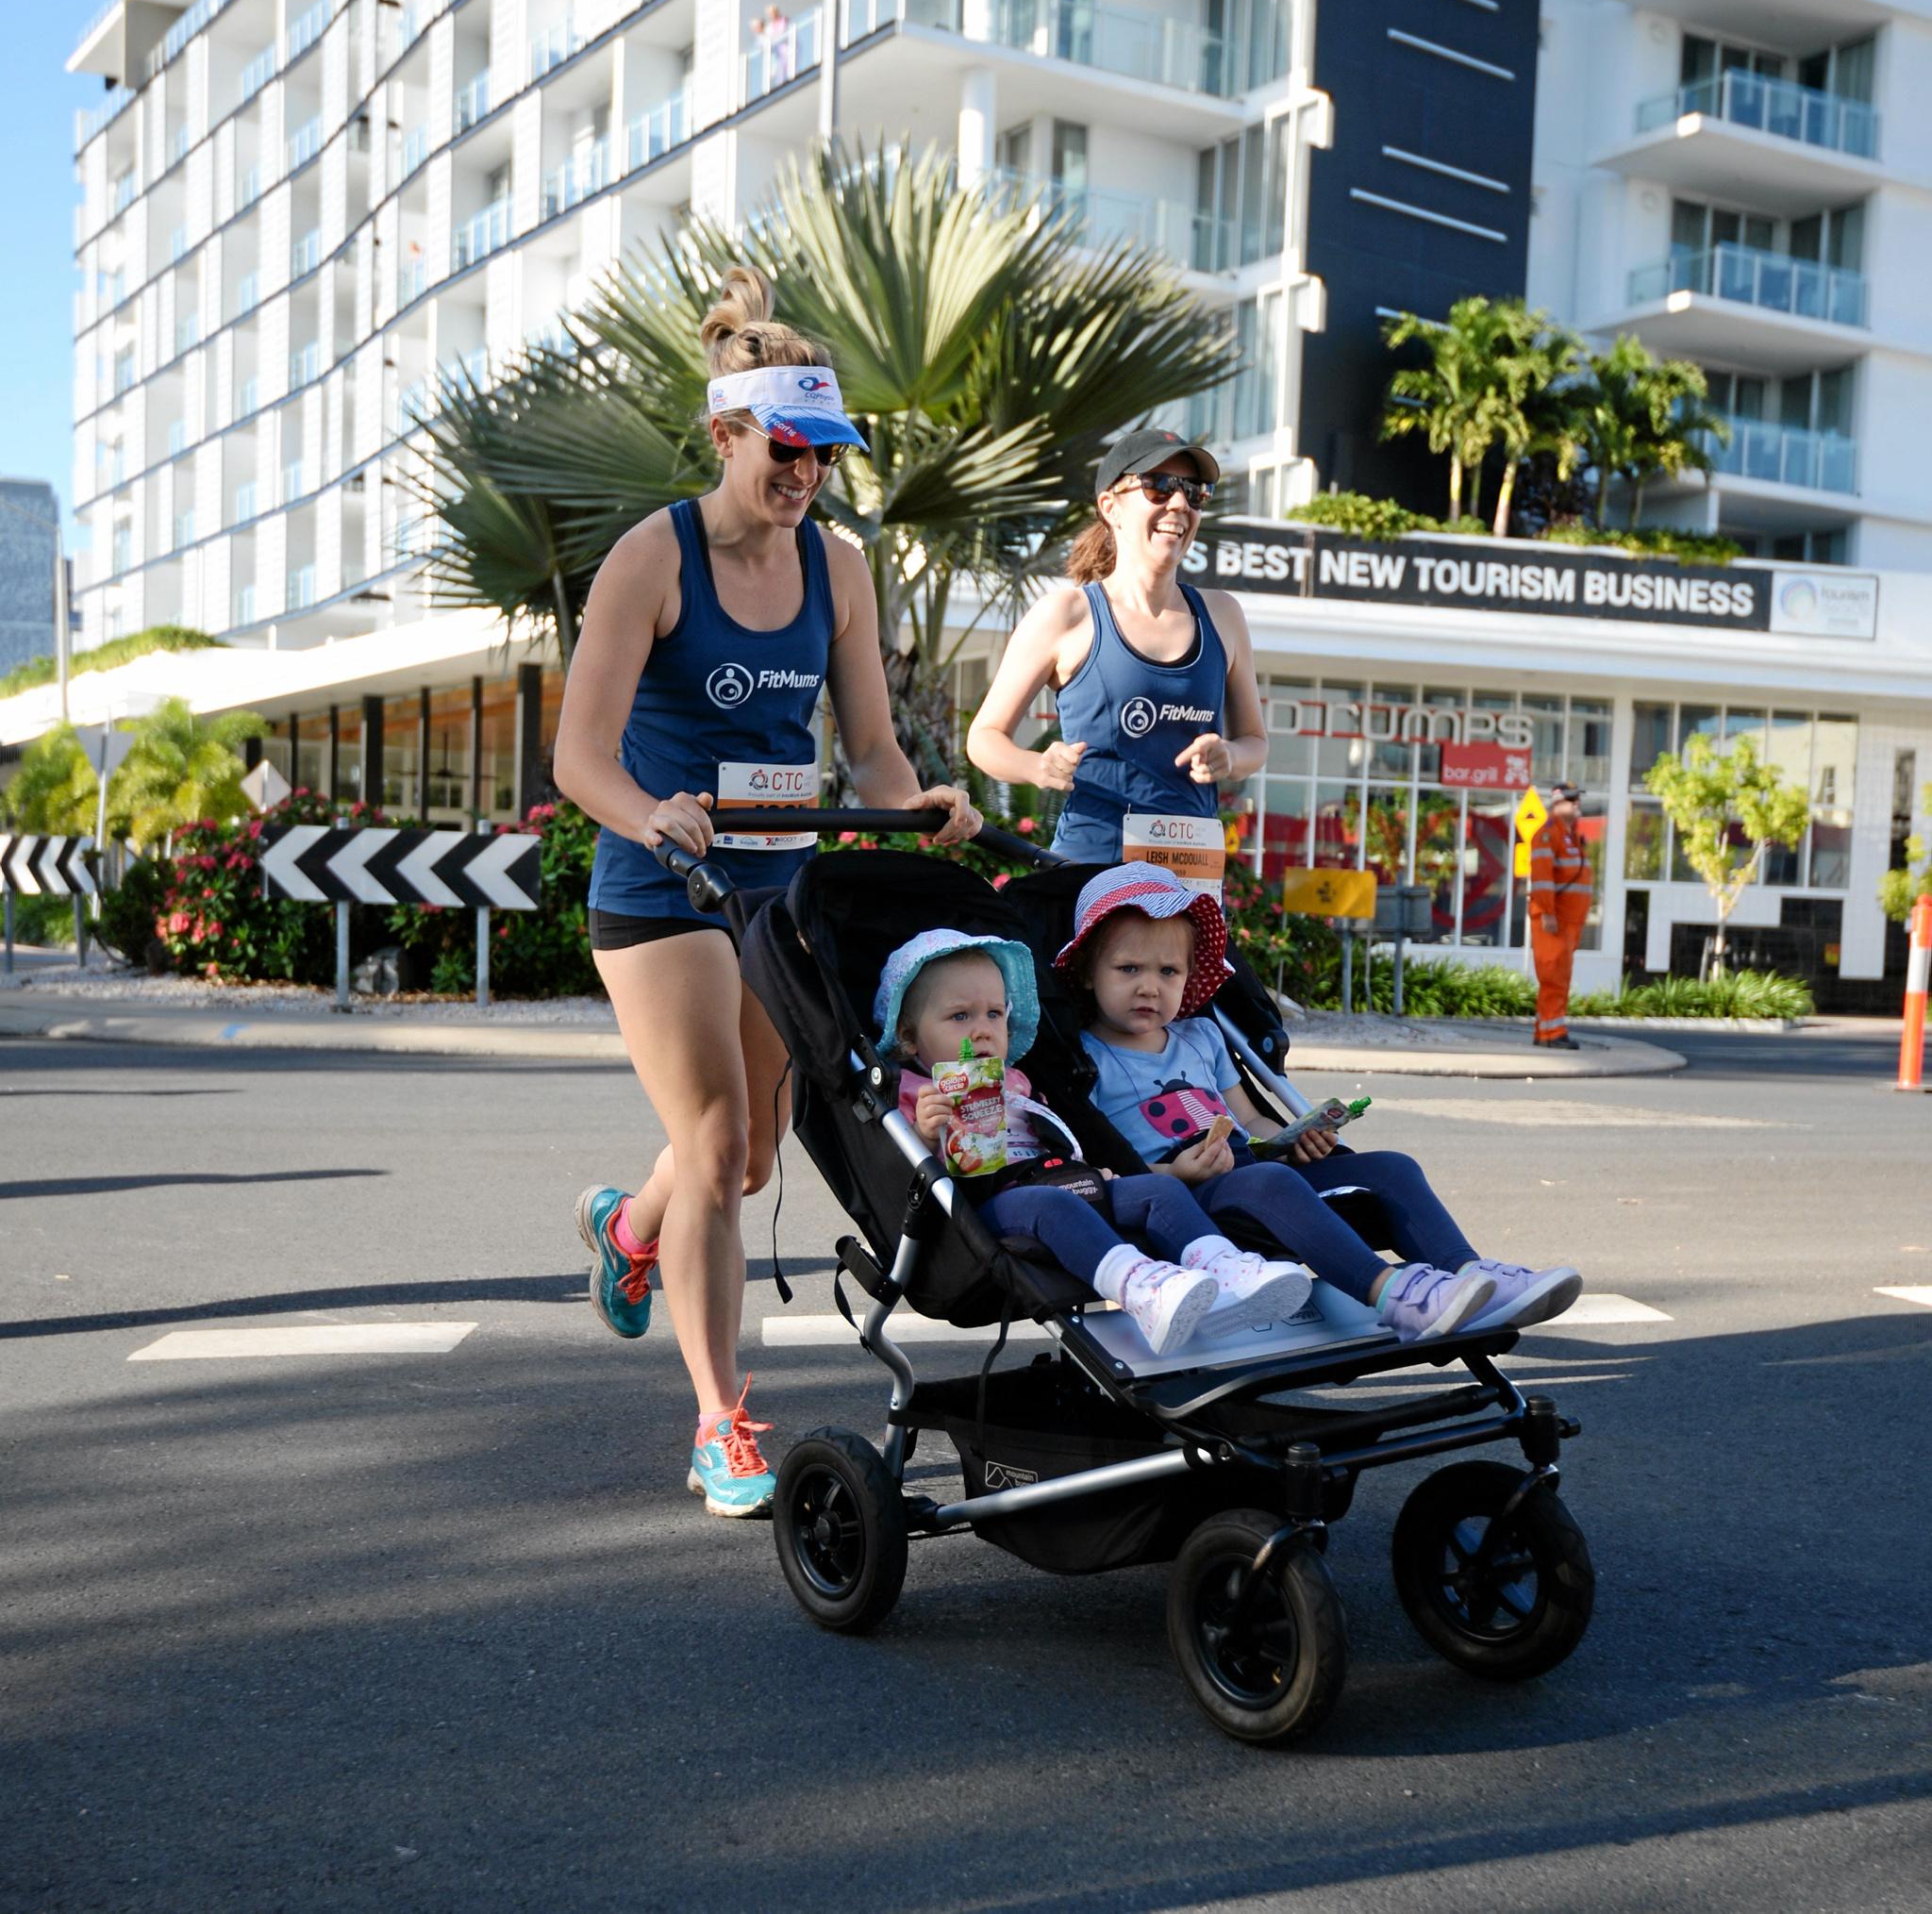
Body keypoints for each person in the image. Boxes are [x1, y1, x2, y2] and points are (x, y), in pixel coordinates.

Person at [555, 266, 979, 1518]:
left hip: (774, 883)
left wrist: (918, 799)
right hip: (660, 882)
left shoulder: (838, 568)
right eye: (785, 449)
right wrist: (650, 810)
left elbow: (874, 746)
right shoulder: (652, 556)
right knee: (714, 1139)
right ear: (727, 428)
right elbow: (578, 754)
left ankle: (630, 1228)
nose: (805, 476)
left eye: (825, 456)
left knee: (736, 1164)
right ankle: (718, 1420)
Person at [1058, 865, 1583, 1340]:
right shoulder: (1084, 1056)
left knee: (1393, 1168)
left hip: (1253, 1172)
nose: (1150, 987)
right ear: (1087, 972)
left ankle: (1469, 1274)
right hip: (1184, 1196)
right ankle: (1394, 1295)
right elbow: (1091, 1170)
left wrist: (1291, 1140)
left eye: (1168, 972)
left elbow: (1250, 1119)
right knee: (1270, 1180)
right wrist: (1172, 1172)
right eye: (1129, 970)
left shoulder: (1201, 1037)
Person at [876, 927, 1311, 1356]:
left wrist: (1082, 1167)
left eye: (994, 1014)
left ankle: (1226, 1271)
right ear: (910, 1037)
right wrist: (923, 1134)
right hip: (993, 1202)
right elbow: (893, 1179)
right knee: (1053, 1205)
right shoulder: (915, 1093)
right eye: (960, 1017)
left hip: (1057, 1179)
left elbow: (1049, 1136)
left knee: (1157, 1188)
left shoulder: (1018, 1082)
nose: (984, 1030)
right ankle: (1142, 1289)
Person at [967, 428, 1265, 884]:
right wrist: (1037, 766)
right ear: (1111, 507)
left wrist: (1229, 755)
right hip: (1093, 876)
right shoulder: (1066, 614)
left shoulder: (1223, 615)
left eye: (1194, 492)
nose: (1179, 504)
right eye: (1159, 486)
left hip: (1190, 881)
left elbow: (1255, 742)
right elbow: (984, 738)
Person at [1529, 782, 1592, 1050]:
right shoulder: (1548, 835)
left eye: (1577, 799)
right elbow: (1542, 879)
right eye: (1571, 800)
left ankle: (1548, 1032)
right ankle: (1552, 1032)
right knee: (1553, 976)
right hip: (1553, 920)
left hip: (1568, 921)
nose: (1577, 803)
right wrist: (1548, 913)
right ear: (1557, 804)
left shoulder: (1570, 836)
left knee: (1559, 977)